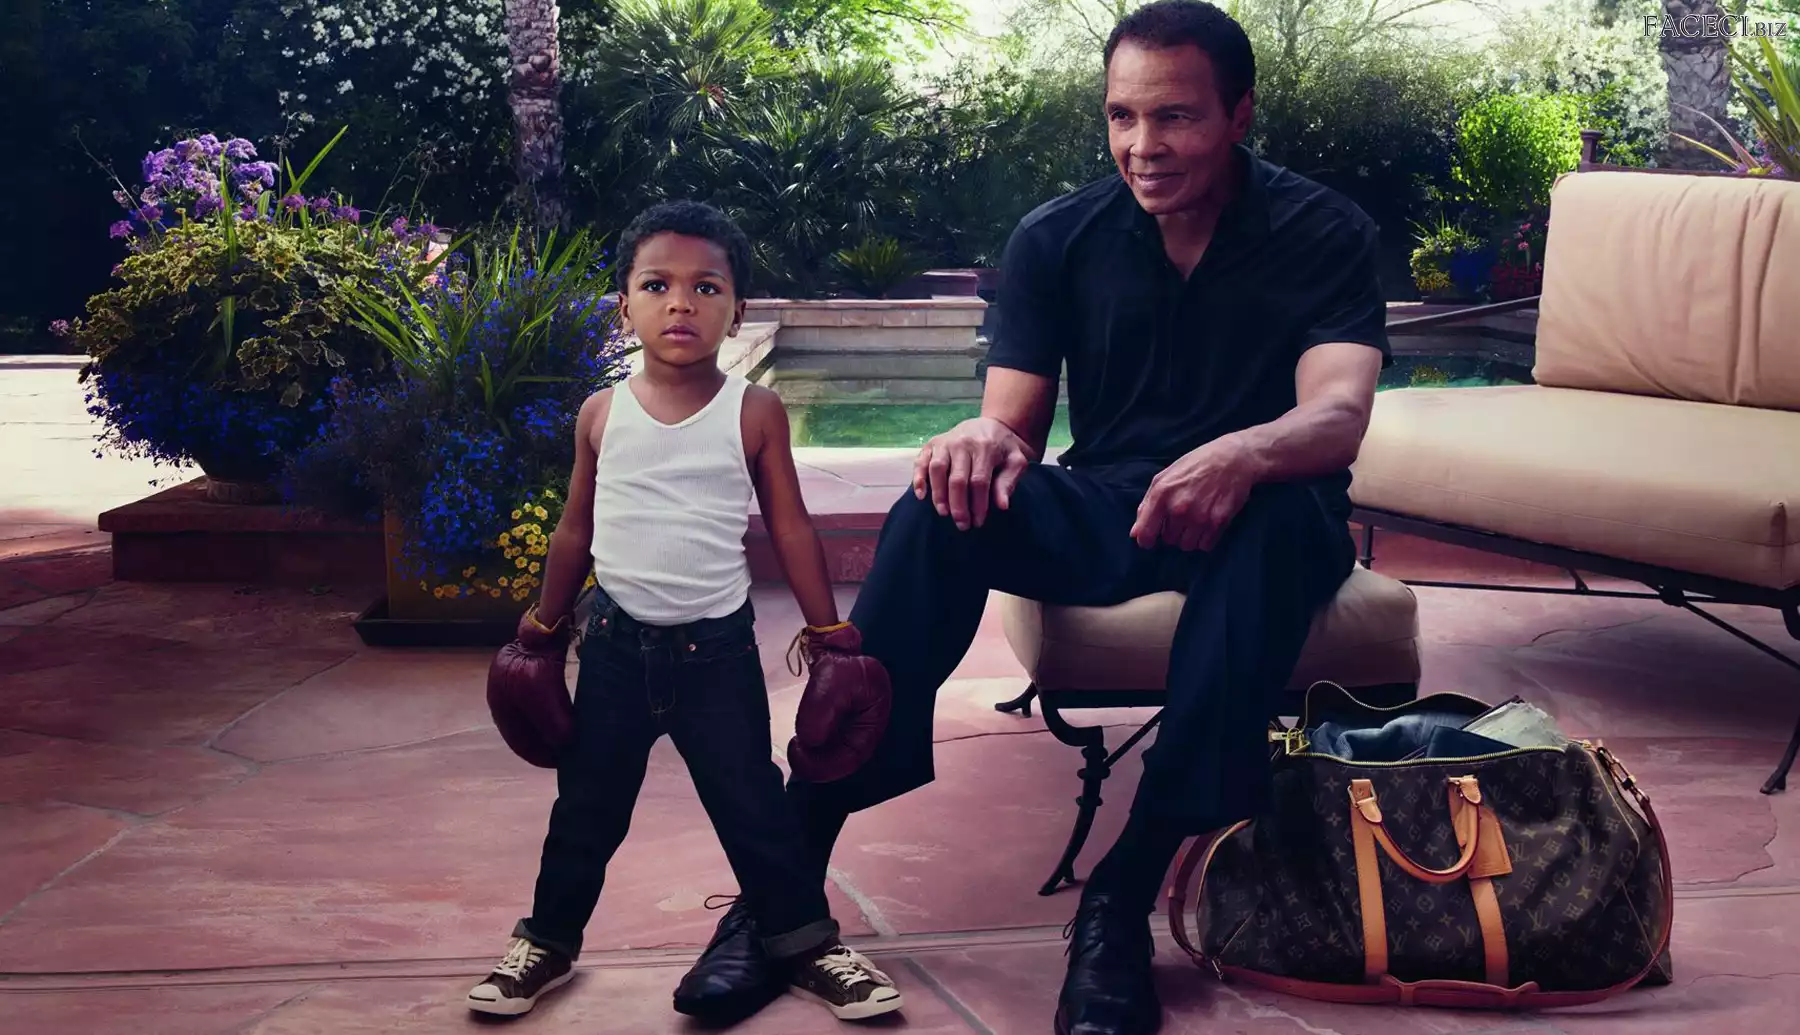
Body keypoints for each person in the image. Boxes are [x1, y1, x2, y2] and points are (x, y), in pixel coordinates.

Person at [673, 2, 1394, 1033]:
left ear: (1239, 115)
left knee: (1275, 528)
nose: (1143, 146)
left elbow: (1338, 413)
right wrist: (978, 442)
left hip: (1269, 512)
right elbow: (1011, 428)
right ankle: (785, 885)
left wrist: (1243, 454)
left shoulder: (1325, 232)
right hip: (1113, 504)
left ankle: (1121, 899)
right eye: (1122, 116)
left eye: (1176, 117)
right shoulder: (1058, 237)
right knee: (936, 508)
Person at [464, 200, 905, 1023]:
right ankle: (547, 942)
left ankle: (807, 945)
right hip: (614, 651)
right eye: (656, 285)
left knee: (754, 808)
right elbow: (575, 529)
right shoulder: (602, 413)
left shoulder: (753, 411)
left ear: (736, 310)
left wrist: (831, 635)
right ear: (623, 304)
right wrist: (541, 629)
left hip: (718, 658)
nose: (681, 303)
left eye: (706, 287)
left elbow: (790, 526)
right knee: (586, 807)